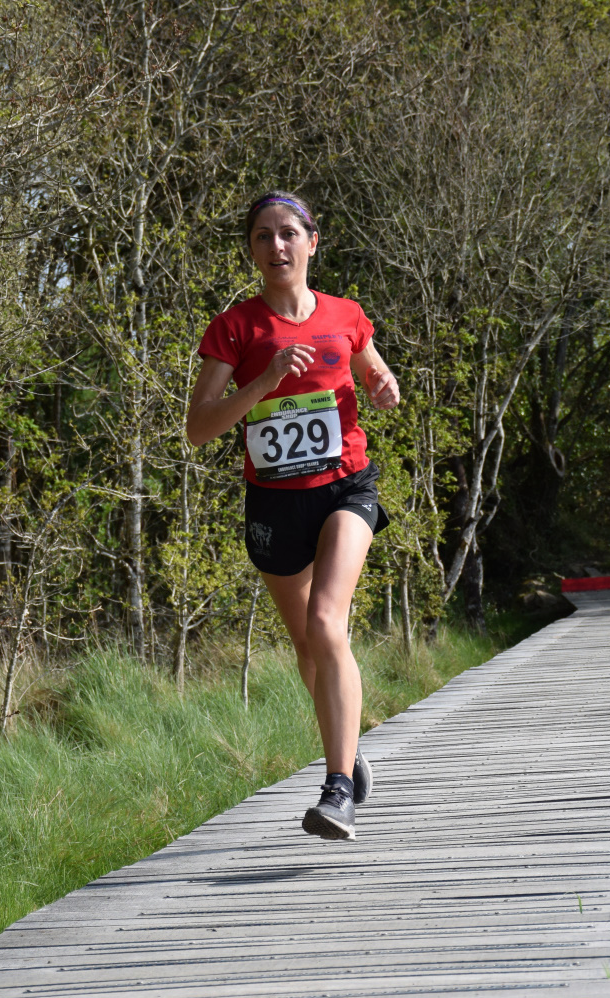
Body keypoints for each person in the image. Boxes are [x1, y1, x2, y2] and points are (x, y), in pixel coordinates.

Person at [186, 191, 400, 840]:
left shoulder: (345, 315)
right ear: (251, 250)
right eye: (262, 236)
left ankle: (338, 790)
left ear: (312, 242)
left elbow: (374, 372)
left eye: (287, 233)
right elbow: (198, 428)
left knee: (327, 622)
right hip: (276, 502)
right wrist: (264, 382)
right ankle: (346, 745)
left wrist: (383, 386)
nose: (276, 246)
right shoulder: (235, 328)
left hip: (345, 488)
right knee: (308, 643)